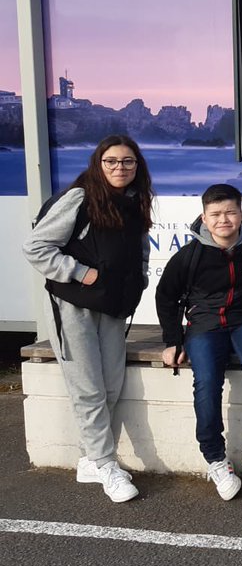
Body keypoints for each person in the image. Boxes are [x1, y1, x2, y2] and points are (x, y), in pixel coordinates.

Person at [23, 135, 153, 503]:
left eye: (127, 161)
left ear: (137, 166)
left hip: (111, 306)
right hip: (72, 305)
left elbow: (139, 249)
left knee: (110, 386)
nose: (119, 168)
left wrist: (139, 279)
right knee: (88, 388)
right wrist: (80, 272)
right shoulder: (80, 198)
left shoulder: (134, 202)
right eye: (111, 161)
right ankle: (105, 462)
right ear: (98, 164)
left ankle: (90, 459)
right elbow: (35, 246)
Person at [156, 183, 242, 500]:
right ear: (204, 217)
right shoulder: (190, 256)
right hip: (205, 325)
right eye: (216, 214)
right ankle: (215, 458)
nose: (224, 220)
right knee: (207, 380)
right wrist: (172, 340)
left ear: (241, 213)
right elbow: (165, 297)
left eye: (230, 212)